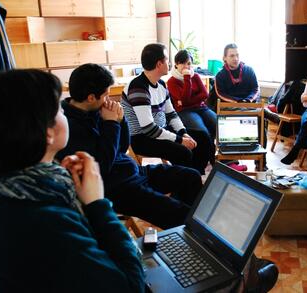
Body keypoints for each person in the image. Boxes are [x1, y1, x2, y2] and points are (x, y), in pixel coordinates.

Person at [0, 69, 145, 292]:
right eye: (59, 109)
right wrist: (97, 204)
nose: (65, 111)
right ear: (47, 133)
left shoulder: (11, 187)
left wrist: (59, 177)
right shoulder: (44, 220)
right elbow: (130, 286)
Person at [57, 63, 202, 229]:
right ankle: (185, 230)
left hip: (133, 172)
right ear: (91, 97)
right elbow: (102, 165)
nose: (109, 99)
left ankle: (181, 228)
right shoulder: (68, 126)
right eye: (106, 95)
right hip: (116, 187)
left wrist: (120, 120)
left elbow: (123, 147)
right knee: (180, 214)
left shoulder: (96, 109)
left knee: (191, 177)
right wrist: (111, 123)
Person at [122, 43, 208, 174]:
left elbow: (171, 114)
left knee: (202, 137)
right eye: (167, 59)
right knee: (183, 151)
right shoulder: (138, 88)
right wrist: (180, 140)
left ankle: (197, 177)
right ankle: (184, 185)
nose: (169, 63)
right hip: (142, 138)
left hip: (161, 131)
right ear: (159, 64)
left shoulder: (161, 84)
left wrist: (183, 132)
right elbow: (149, 129)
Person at [215, 43, 269, 170]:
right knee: (258, 113)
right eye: (232, 55)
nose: (235, 58)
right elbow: (220, 94)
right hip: (230, 107)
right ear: (225, 58)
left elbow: (256, 89)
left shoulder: (249, 70)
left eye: (237, 55)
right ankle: (232, 162)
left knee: (261, 122)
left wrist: (248, 101)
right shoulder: (220, 75)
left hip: (248, 105)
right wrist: (238, 103)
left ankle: (261, 161)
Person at [167, 49, 217, 167]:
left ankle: (222, 157)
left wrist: (189, 100)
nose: (186, 66)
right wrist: (187, 78)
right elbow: (183, 101)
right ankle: (211, 159)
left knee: (218, 124)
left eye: (189, 63)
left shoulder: (196, 76)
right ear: (176, 64)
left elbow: (205, 94)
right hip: (184, 111)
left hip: (201, 108)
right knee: (202, 131)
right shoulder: (172, 81)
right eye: (183, 63)